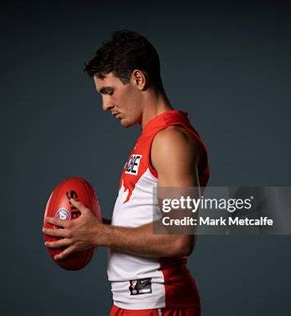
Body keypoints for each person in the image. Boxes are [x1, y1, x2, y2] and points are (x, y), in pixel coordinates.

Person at [42, 30, 210, 316]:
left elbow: (179, 237)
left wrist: (99, 233)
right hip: (130, 303)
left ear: (138, 79)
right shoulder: (150, 138)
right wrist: (89, 228)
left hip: (159, 304)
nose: (105, 105)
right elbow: (149, 218)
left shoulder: (170, 140)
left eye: (108, 91)